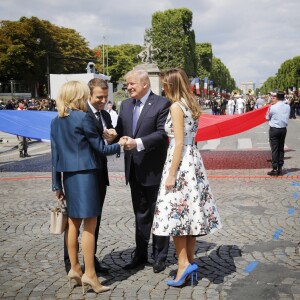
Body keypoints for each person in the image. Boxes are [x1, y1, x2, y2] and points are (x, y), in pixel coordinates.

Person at [51, 81, 126, 294]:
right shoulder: (83, 118)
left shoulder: (56, 121)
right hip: (87, 176)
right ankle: (90, 274)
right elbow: (101, 148)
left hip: (69, 178)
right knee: (90, 226)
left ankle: (74, 268)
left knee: (73, 224)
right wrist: (120, 144)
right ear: (78, 96)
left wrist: (57, 184)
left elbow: (55, 156)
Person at [152, 68, 222, 287]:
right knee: (190, 214)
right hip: (193, 161)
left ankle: (183, 265)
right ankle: (189, 262)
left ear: (171, 85)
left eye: (164, 84)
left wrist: (171, 174)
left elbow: (179, 141)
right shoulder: (190, 104)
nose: (162, 87)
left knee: (175, 215)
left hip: (180, 161)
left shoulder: (175, 106)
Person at [114, 69, 170, 273]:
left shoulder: (162, 103)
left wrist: (137, 142)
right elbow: (121, 131)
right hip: (134, 170)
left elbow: (162, 134)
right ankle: (140, 254)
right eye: (127, 84)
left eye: (131, 84)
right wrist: (112, 134)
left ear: (145, 84)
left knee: (159, 213)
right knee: (140, 214)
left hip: (154, 170)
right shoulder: (125, 105)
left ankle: (160, 256)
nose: (128, 87)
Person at [63, 78, 116, 274]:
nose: (103, 101)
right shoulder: (80, 114)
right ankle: (72, 264)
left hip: (99, 174)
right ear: (89, 95)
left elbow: (103, 141)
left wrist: (112, 136)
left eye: (106, 97)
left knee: (94, 221)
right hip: (80, 175)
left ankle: (90, 259)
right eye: (99, 97)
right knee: (75, 221)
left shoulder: (105, 115)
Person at [266, 90, 290, 176]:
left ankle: (275, 168)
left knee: (275, 149)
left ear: (277, 98)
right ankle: (280, 168)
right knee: (281, 148)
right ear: (283, 97)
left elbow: (267, 117)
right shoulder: (288, 107)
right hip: (283, 129)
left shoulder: (272, 107)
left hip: (274, 129)